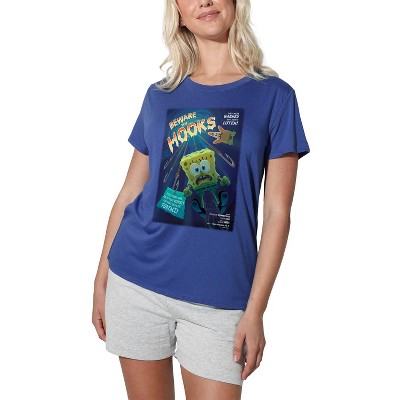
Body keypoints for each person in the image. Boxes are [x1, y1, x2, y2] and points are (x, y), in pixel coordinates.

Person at [92, 0, 311, 398]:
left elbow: (278, 213)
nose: (205, 1)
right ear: (178, 11)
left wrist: (256, 309)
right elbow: (129, 192)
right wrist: (101, 276)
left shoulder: (274, 96)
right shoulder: (160, 95)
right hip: (136, 283)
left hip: (220, 300)